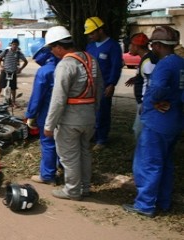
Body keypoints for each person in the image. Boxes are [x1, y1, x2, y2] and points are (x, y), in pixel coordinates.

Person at [122, 26, 184, 218]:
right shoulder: (180, 63)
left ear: (157, 45)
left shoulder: (165, 65)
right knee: (165, 163)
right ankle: (163, 202)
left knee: (148, 163)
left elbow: (157, 90)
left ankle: (145, 204)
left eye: (153, 44)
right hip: (174, 121)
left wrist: (158, 100)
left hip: (157, 122)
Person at [43, 26, 103, 200]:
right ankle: (84, 187)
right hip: (88, 117)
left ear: (58, 47)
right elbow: (99, 89)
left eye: (51, 49)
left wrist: (49, 125)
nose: (52, 52)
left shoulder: (65, 65)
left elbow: (58, 99)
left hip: (70, 120)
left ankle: (72, 190)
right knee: (84, 153)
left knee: (69, 157)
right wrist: (93, 111)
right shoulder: (91, 60)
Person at [84, 16, 123, 151]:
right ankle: (92, 134)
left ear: (100, 30)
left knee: (103, 112)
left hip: (104, 86)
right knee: (90, 111)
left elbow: (115, 66)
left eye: (92, 33)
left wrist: (111, 84)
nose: (90, 36)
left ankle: (102, 139)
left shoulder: (113, 46)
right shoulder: (90, 46)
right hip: (90, 86)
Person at [26, 39, 60, 185]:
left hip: (48, 113)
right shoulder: (66, 65)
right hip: (67, 113)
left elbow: (37, 97)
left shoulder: (45, 71)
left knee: (48, 144)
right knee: (63, 143)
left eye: (35, 57)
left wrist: (30, 115)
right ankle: (64, 169)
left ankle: (47, 175)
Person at [124, 33, 157, 139]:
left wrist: (144, 103)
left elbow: (152, 84)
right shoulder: (146, 59)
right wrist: (136, 78)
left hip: (145, 103)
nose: (129, 47)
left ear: (136, 46)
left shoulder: (148, 62)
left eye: (130, 45)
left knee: (139, 131)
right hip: (144, 102)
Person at [0, 38, 28, 106]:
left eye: (16, 45)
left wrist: (20, 69)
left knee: (13, 88)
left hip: (13, 72)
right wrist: (1, 67)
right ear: (11, 44)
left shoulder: (19, 53)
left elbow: (26, 62)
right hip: (4, 71)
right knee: (0, 86)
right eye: (13, 44)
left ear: (18, 45)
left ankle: (13, 101)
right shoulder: (6, 51)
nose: (14, 46)